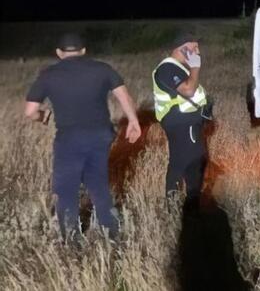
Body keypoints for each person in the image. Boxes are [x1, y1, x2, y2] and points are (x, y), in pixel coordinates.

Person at [24, 33, 142, 238]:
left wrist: (43, 115)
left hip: (69, 140)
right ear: (84, 51)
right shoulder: (102, 69)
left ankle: (71, 240)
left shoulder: (48, 74)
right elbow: (124, 95)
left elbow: (29, 111)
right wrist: (133, 121)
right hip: (101, 137)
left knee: (67, 190)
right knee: (98, 183)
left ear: (59, 53)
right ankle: (112, 233)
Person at [153, 32, 211, 201]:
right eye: (194, 48)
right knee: (187, 162)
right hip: (181, 123)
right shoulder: (167, 68)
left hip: (186, 122)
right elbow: (188, 90)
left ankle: (181, 202)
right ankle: (185, 204)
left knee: (183, 161)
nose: (198, 52)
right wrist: (195, 67)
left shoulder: (177, 67)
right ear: (182, 49)